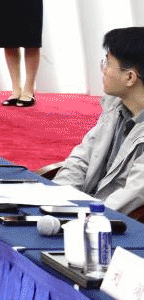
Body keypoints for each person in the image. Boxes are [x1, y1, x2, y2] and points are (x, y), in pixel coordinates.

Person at [53, 28, 144, 215]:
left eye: (108, 63)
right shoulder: (114, 107)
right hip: (81, 212)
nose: (103, 70)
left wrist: (83, 217)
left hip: (108, 222)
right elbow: (81, 159)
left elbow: (131, 196)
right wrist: (55, 200)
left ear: (130, 77)